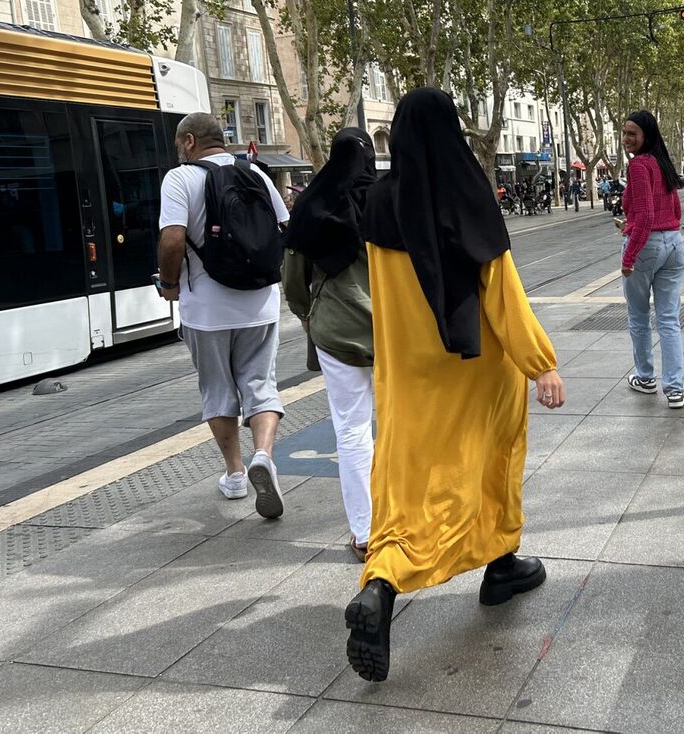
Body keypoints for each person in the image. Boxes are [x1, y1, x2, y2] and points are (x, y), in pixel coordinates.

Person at [345, 88, 567, 682]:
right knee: (487, 462)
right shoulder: (470, 196)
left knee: (410, 483)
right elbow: (503, 294)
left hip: (408, 373)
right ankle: (501, 566)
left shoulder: (379, 203)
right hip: (475, 369)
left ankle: (383, 584)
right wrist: (540, 363)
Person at [156, 112, 289, 517]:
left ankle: (234, 475)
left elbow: (173, 237)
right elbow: (284, 225)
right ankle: (262, 455)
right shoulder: (257, 174)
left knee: (217, 389)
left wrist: (170, 284)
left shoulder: (179, 178)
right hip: (260, 301)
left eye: (180, 143)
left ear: (190, 141)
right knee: (260, 383)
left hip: (207, 309)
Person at [283, 128, 377, 559]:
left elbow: (294, 282)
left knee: (352, 429)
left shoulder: (312, 204)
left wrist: (309, 317)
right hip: (394, 331)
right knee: (398, 425)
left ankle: (364, 531)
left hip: (337, 333)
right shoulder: (386, 199)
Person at [620, 110, 684, 409]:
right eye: (624, 133)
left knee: (638, 316)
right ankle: (675, 389)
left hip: (646, 247)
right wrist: (635, 224)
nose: (626, 139)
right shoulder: (662, 162)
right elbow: (674, 209)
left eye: (632, 133)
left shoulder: (639, 165)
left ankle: (645, 377)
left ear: (647, 135)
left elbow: (646, 214)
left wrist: (630, 255)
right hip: (673, 244)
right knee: (669, 320)